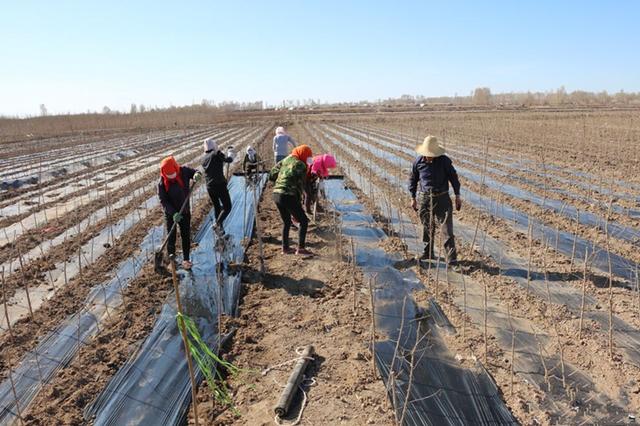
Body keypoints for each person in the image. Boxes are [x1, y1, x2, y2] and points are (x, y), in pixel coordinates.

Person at [408, 135, 462, 267]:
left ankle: (452, 260)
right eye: (427, 154)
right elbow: (413, 180)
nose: (429, 156)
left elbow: (454, 179)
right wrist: (413, 198)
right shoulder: (418, 162)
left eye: (431, 154)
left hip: (442, 198)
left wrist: (457, 195)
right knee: (427, 227)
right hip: (425, 198)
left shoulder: (444, 161)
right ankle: (428, 253)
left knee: (447, 230)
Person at [158, 156, 201, 270]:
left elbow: (195, 172)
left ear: (176, 168)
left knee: (185, 234)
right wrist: (173, 213)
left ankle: (186, 259)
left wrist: (197, 174)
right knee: (171, 236)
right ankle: (171, 261)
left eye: (173, 174)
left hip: (184, 210)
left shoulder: (184, 171)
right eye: (169, 175)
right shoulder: (162, 182)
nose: (172, 176)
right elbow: (163, 201)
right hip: (171, 214)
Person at [270, 145, 313, 256]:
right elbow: (300, 185)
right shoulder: (301, 165)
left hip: (276, 194)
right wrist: (298, 204)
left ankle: (285, 249)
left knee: (287, 222)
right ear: (303, 155)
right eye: (308, 156)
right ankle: (301, 249)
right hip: (288, 195)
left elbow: (272, 173)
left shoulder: (287, 159)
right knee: (303, 221)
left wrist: (280, 181)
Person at [202, 138, 234, 232]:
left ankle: (219, 227)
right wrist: (231, 153)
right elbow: (228, 160)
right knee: (227, 206)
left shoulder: (204, 158)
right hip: (219, 185)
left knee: (217, 206)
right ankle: (218, 224)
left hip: (209, 186)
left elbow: (216, 166)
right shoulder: (217, 154)